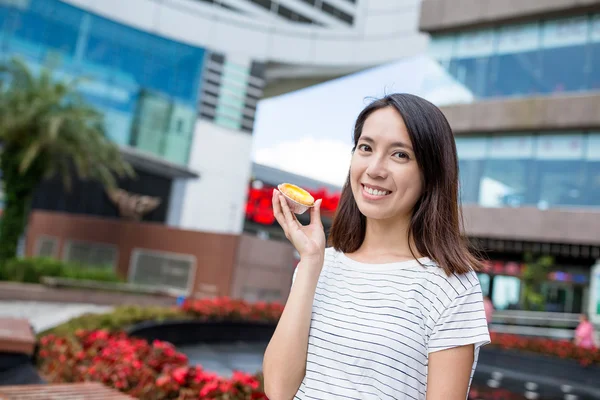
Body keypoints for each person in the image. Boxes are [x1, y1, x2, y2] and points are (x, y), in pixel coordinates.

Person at [263, 93, 491, 400]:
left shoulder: (451, 287)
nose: (375, 169)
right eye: (366, 148)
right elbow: (278, 391)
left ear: (431, 174)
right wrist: (311, 261)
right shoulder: (320, 266)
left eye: (400, 155)